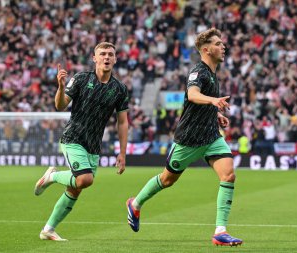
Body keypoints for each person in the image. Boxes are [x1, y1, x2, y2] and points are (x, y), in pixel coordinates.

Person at [126, 28, 243, 247]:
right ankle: (136, 203)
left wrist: (215, 113)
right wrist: (212, 101)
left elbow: (197, 102)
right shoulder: (198, 71)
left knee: (228, 175)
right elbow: (192, 95)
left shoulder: (212, 73)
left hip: (210, 137)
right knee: (167, 180)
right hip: (189, 139)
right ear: (206, 49)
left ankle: (220, 231)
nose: (223, 46)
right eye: (218, 44)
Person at [34, 42, 129, 241]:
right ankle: (51, 177)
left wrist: (122, 152)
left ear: (115, 59)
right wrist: (60, 87)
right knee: (85, 179)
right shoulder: (80, 79)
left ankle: (48, 230)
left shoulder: (120, 89)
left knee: (76, 188)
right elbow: (60, 105)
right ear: (94, 58)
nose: (106, 57)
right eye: (102, 54)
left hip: (93, 145)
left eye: (110, 54)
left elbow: (122, 122)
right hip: (73, 138)